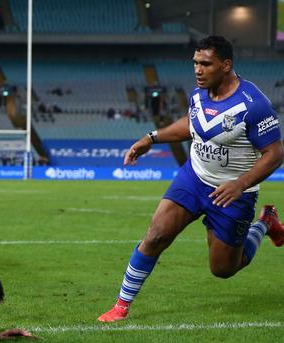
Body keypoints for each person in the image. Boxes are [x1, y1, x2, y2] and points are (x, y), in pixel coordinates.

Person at [98, 36, 284, 322]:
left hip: (232, 193)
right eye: (195, 63)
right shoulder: (199, 94)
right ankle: (121, 306)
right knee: (155, 235)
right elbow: (194, 125)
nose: (198, 69)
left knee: (223, 269)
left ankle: (265, 223)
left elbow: (274, 153)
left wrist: (240, 184)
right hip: (194, 178)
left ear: (226, 65)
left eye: (205, 64)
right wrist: (152, 137)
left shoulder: (253, 104)